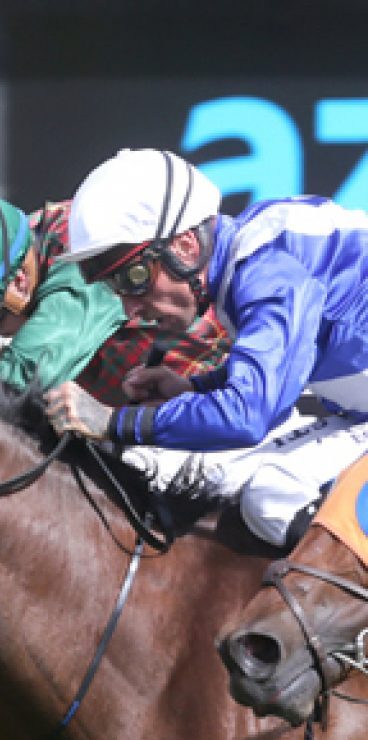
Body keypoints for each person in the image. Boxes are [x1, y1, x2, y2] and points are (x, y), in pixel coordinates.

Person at [43, 148, 368, 546]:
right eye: (116, 288)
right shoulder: (251, 257)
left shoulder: (266, 271)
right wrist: (196, 389)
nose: (130, 308)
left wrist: (113, 422)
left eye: (135, 277)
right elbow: (286, 368)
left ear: (185, 246)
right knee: (214, 472)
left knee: (274, 497)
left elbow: (249, 414)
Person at [0, 191, 228, 403]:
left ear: (17, 283)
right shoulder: (13, 248)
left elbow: (17, 382)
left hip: (229, 408)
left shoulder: (83, 263)